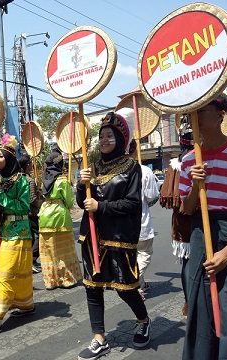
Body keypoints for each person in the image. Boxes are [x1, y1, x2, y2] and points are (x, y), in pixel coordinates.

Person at [180, 94, 227, 360]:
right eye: (190, 113)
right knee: (202, 306)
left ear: (220, 114)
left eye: (200, 111)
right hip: (201, 233)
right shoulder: (189, 160)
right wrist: (198, 186)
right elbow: (186, 209)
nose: (193, 118)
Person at [76, 112, 150, 360]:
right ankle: (99, 338)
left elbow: (132, 204)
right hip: (93, 238)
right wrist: (80, 184)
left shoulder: (132, 168)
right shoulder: (93, 168)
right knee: (92, 288)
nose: (105, 139)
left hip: (119, 237)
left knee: (125, 288)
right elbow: (83, 203)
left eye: (110, 135)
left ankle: (143, 319)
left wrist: (101, 207)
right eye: (102, 135)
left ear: (120, 138)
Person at [0, 134, 34, 335]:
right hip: (2, 232)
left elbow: (23, 206)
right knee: (13, 273)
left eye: (0, 156)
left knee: (6, 274)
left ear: (9, 158)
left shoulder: (21, 180)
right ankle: (26, 304)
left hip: (19, 232)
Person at [159, 117, 194, 317]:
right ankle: (193, 303)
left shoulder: (175, 165)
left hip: (181, 222)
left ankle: (189, 303)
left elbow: (166, 198)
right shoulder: (195, 160)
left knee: (188, 264)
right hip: (193, 220)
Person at [38, 147, 82, 289]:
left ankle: (51, 282)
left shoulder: (42, 179)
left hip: (44, 215)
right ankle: (66, 279)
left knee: (48, 251)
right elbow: (69, 201)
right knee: (64, 250)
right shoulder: (62, 180)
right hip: (60, 216)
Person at [128, 140, 160, 298]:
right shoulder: (144, 171)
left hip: (120, 226)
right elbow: (152, 196)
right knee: (144, 254)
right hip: (140, 223)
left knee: (132, 256)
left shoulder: (113, 172)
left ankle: (139, 282)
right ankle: (134, 283)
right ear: (135, 151)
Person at [19, 153, 44, 273]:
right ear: (27, 165)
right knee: (39, 236)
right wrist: (43, 204)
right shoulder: (29, 180)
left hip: (21, 213)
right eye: (30, 164)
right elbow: (32, 199)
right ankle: (31, 260)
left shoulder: (18, 178)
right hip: (31, 213)